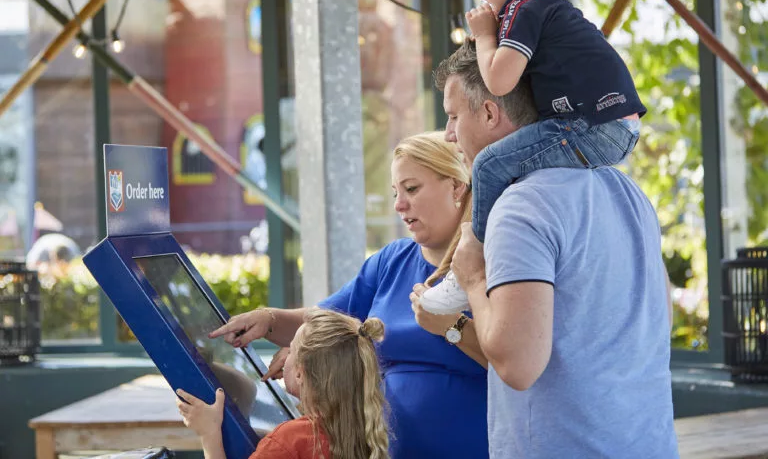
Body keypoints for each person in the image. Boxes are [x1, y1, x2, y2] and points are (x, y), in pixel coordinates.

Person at [435, 39, 678, 458]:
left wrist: (473, 277)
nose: (448, 135)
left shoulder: (519, 206)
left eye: (454, 116)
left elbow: (518, 365)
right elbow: (661, 319)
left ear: (490, 112)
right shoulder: (624, 188)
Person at [419, 0, 646, 315]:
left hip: (592, 126)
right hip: (612, 123)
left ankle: (470, 266)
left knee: (489, 165)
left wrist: (485, 35)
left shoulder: (526, 9)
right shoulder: (549, 4)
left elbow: (500, 81)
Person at [209, 132, 490, 459]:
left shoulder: (492, 263)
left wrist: (450, 326)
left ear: (457, 186)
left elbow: (515, 361)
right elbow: (322, 321)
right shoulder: (391, 261)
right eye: (396, 192)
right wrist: (270, 320)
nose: (399, 205)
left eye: (412, 189)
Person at [177, 308, 389, 459]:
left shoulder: (290, 441)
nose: (284, 356)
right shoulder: (359, 428)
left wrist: (209, 433)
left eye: (291, 350)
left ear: (300, 373)